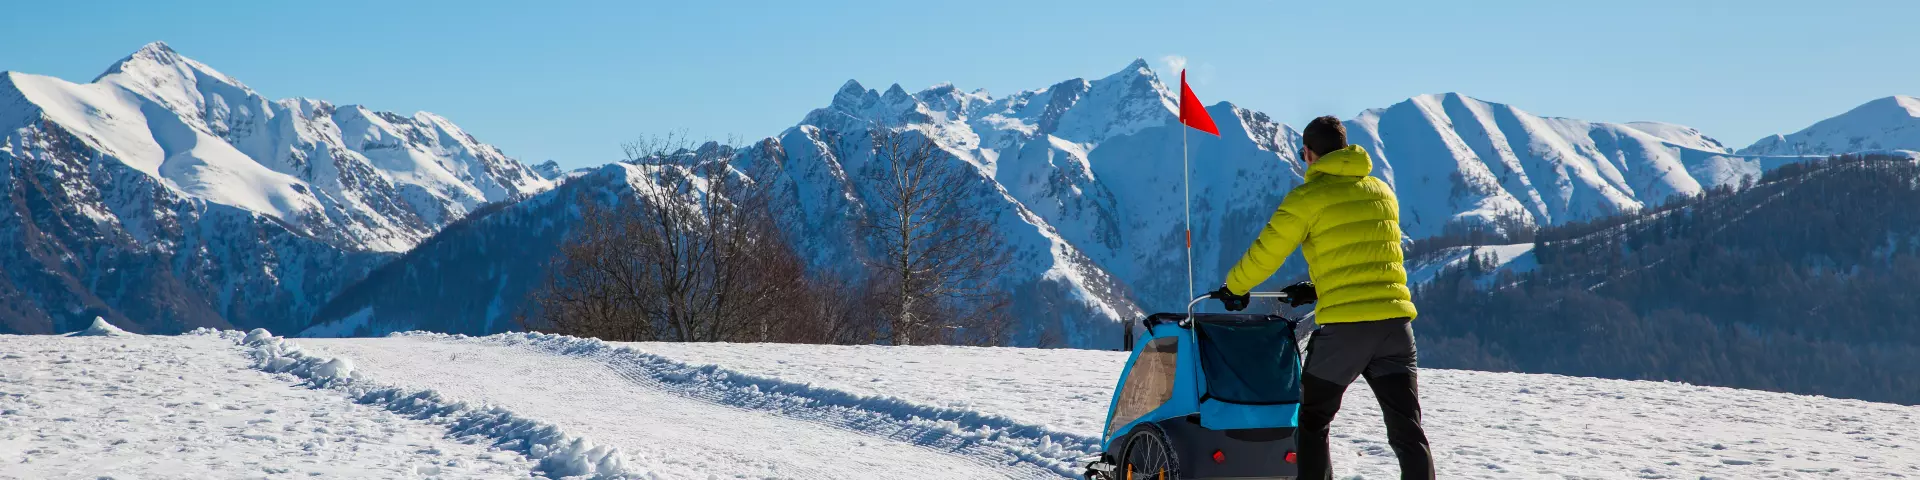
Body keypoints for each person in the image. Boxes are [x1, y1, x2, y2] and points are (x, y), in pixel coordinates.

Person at [1208, 115, 1433, 479]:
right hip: (1396, 327)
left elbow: (1267, 251)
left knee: (1312, 419)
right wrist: (1317, 288)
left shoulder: (1308, 198)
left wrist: (1235, 287)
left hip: (1346, 332)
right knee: (1407, 430)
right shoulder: (1381, 192)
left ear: (1310, 154)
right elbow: (1371, 257)